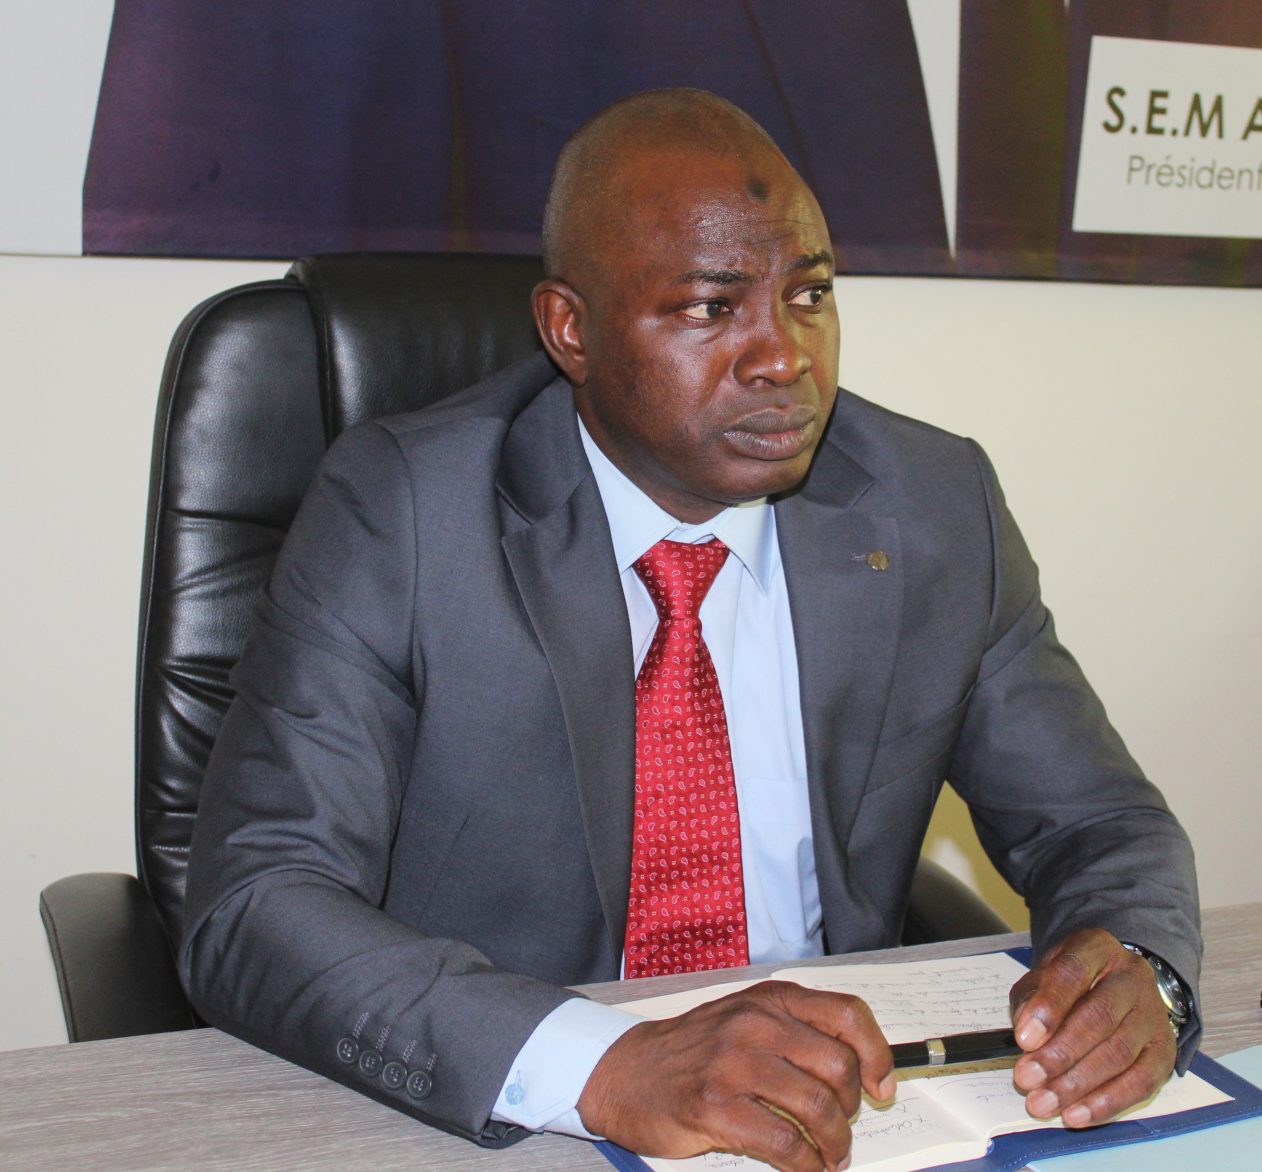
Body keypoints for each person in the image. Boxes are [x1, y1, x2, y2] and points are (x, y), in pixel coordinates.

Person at [181, 89, 1200, 1171]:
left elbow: (1099, 821)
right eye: (713, 308)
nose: (784, 357)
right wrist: (606, 1063)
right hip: (512, 1118)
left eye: (809, 294)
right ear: (571, 331)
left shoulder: (933, 504)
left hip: (838, 1115)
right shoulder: (405, 512)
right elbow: (257, 898)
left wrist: (1139, 970)